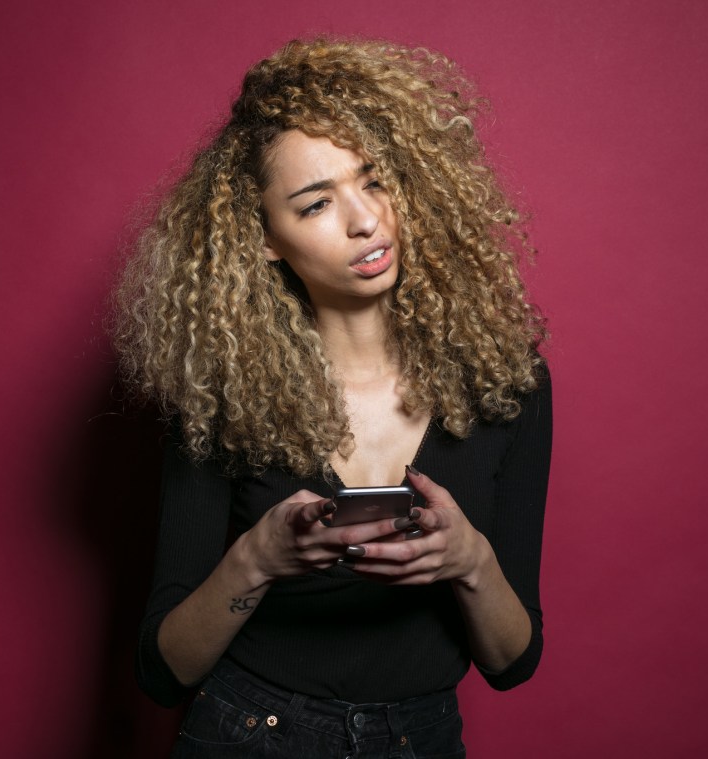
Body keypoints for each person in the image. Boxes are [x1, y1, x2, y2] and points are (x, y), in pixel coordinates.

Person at [112, 37, 552, 759]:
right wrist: (259, 557)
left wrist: (470, 559)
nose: (365, 221)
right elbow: (163, 671)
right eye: (316, 203)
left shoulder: (507, 383)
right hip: (247, 735)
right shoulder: (222, 395)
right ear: (265, 239)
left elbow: (512, 662)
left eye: (373, 181)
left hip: (421, 739)